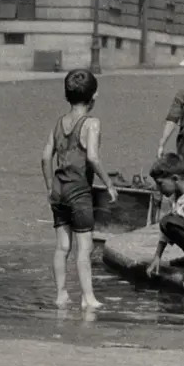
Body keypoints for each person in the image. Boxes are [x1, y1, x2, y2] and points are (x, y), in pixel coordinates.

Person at [41, 69, 118, 310]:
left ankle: (61, 294)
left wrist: (48, 187)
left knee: (62, 246)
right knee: (85, 247)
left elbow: (45, 157)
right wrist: (109, 184)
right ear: (93, 97)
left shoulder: (59, 123)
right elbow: (93, 158)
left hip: (58, 189)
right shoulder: (91, 123)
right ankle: (88, 297)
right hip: (79, 191)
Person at [145, 153, 184, 287]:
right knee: (167, 222)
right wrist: (157, 258)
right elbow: (165, 229)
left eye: (160, 184)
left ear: (175, 178)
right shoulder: (178, 191)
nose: (159, 190)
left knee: (171, 222)